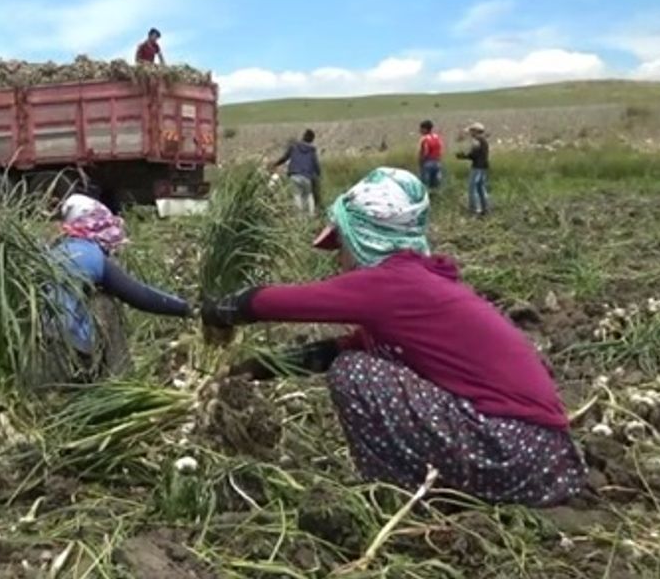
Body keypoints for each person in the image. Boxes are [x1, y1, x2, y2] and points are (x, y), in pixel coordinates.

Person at [200, 167, 585, 507]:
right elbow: (335, 350)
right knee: (353, 362)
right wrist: (256, 368)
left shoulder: (394, 283)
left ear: (364, 237)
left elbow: (286, 302)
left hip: (515, 450)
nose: (339, 258)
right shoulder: (416, 287)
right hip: (544, 458)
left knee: (354, 374)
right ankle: (434, 491)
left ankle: (395, 495)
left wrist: (222, 309)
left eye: (342, 245)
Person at [40, 195, 191, 383]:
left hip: (39, 343)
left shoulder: (55, 251)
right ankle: (120, 377)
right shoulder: (89, 254)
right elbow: (140, 296)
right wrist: (184, 308)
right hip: (68, 348)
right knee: (104, 301)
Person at [270, 129, 322, 216]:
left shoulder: (294, 147)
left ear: (303, 137)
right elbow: (316, 164)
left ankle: (299, 217)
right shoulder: (312, 151)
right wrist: (318, 174)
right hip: (306, 176)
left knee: (297, 196)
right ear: (312, 140)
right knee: (309, 195)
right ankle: (310, 215)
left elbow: (285, 157)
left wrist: (276, 164)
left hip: (294, 175)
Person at [456, 122, 490, 216]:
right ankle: (485, 208)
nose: (470, 133)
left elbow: (474, 155)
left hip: (477, 167)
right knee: (481, 188)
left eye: (472, 131)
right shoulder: (484, 140)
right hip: (484, 167)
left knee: (472, 188)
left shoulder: (477, 140)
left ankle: (475, 210)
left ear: (475, 131)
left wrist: (463, 156)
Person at [417, 120, 444, 190]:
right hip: (437, 162)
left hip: (427, 163)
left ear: (425, 129)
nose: (420, 130)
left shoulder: (424, 139)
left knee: (425, 185)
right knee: (436, 185)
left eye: (421, 129)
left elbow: (425, 151)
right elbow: (441, 149)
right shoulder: (437, 137)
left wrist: (421, 161)